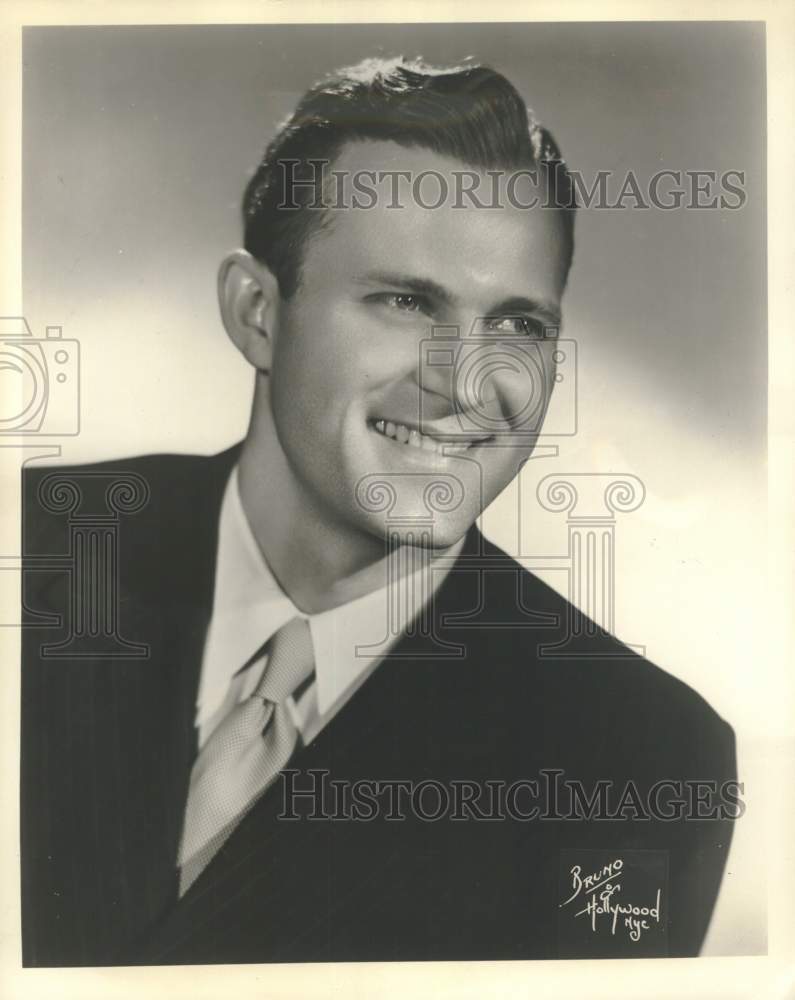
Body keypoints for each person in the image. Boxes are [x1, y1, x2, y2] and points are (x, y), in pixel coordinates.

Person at [20, 57, 737, 967]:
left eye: (517, 325)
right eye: (404, 301)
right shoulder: (34, 544)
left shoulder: (633, 758)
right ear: (256, 312)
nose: (463, 383)